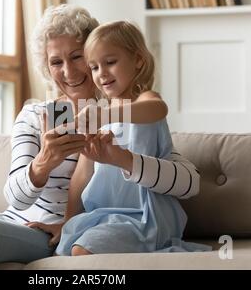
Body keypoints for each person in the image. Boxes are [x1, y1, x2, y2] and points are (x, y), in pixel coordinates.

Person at [0, 5, 201, 270]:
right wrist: (44, 162)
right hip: (13, 219)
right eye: (56, 62)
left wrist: (69, 221)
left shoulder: (122, 113)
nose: (69, 71)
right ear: (47, 67)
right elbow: (16, 197)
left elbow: (179, 172)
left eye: (78, 57)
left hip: (50, 232)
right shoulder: (34, 115)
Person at [51, 21, 211, 256]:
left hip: (146, 215)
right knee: (65, 248)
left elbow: (158, 109)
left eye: (110, 62)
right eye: (94, 67)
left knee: (81, 251)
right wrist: (67, 221)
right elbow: (82, 175)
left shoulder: (143, 100)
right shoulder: (101, 114)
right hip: (105, 215)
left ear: (138, 60)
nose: (101, 74)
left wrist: (104, 115)